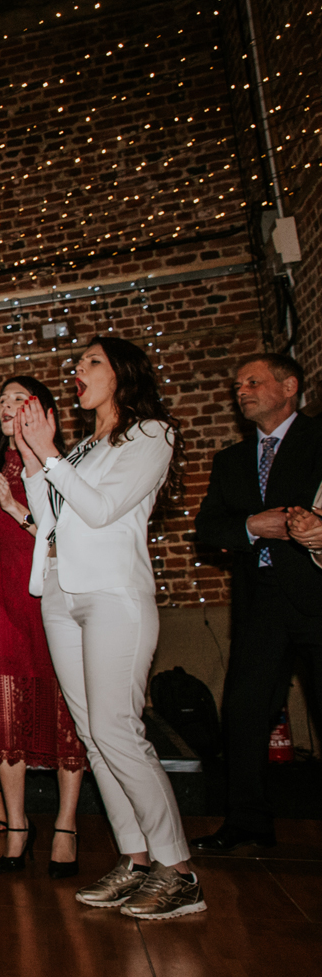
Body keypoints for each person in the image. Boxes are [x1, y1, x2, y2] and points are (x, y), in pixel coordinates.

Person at [17, 337, 202, 918]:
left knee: (119, 730)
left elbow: (100, 511)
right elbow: (51, 519)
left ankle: (179, 873)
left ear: (123, 372)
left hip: (113, 596)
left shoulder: (151, 434)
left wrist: (46, 456)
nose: (78, 369)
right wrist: (31, 457)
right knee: (94, 736)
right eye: (78, 362)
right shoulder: (80, 449)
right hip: (60, 595)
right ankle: (136, 859)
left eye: (92, 360)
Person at [193, 353, 322, 853]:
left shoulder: (317, 440)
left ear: (289, 386)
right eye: (237, 385)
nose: (241, 390)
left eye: (253, 381)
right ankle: (247, 821)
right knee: (244, 712)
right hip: (260, 602)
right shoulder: (230, 461)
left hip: (315, 597)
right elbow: (208, 527)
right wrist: (251, 526)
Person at [0, 378, 88, 876]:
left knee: (66, 711)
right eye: (1, 402)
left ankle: (66, 824)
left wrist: (17, 509)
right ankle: (17, 825)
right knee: (2, 712)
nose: (7, 408)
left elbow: (74, 537)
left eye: (18, 400)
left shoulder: (65, 465)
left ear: (42, 411)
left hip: (52, 595)